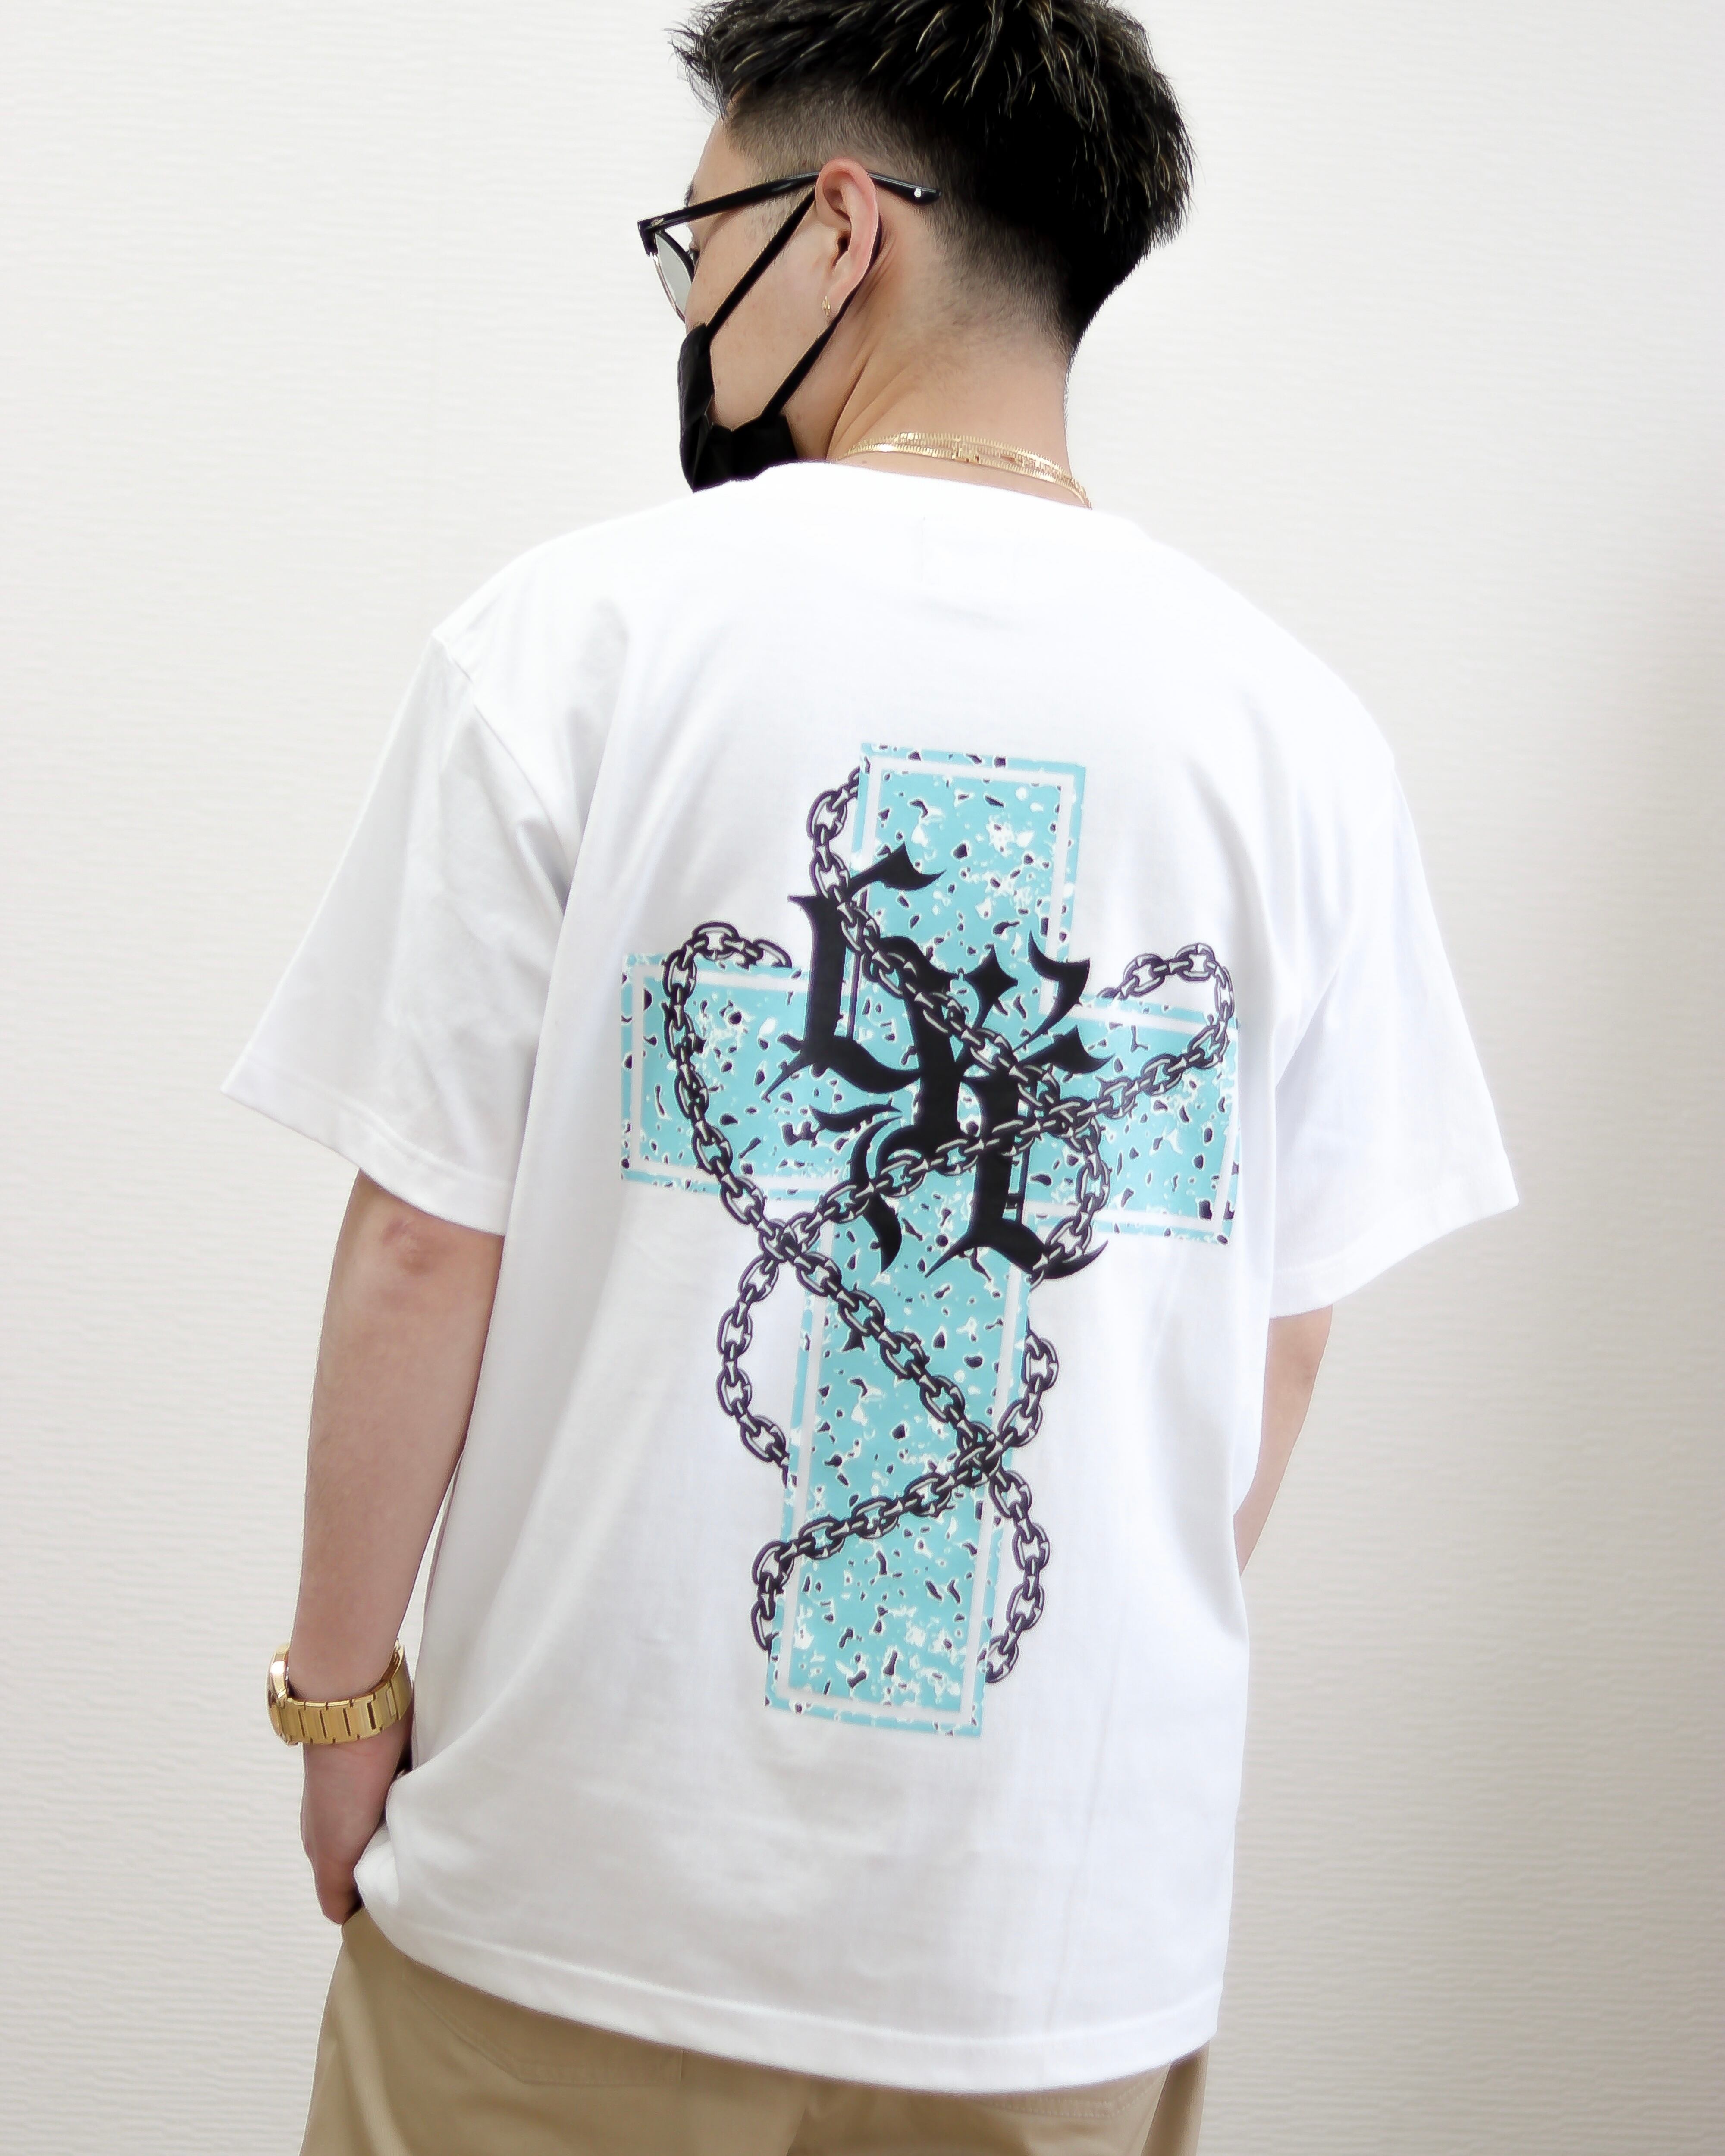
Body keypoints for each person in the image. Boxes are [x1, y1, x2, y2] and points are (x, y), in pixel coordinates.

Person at [228, 3, 1517, 2150]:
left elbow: (421, 1246)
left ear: (838, 227)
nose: (686, 304)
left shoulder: (576, 639)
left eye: (698, 235)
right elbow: (1274, 1343)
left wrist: (341, 1701)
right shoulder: (1294, 737)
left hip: (577, 1886)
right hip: (1052, 1944)